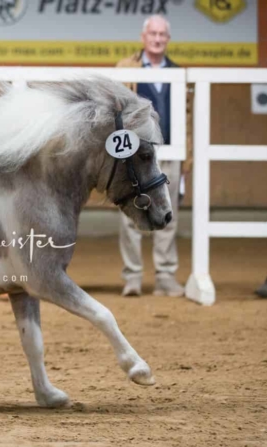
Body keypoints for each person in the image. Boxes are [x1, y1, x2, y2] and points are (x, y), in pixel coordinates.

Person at [116, 15, 189, 297]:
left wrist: (188, 159)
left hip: (170, 154)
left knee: (168, 217)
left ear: (168, 39)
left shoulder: (178, 71)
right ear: (143, 37)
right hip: (135, 156)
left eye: (163, 35)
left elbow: (188, 116)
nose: (158, 39)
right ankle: (132, 276)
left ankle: (165, 277)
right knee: (130, 217)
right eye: (153, 34)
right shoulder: (126, 69)